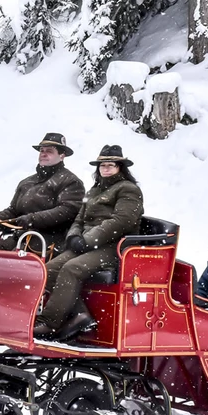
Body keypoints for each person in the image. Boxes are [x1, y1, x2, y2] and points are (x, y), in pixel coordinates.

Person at [33, 144, 143, 340]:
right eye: (102, 165)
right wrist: (73, 237)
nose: (105, 168)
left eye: (110, 165)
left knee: (72, 268)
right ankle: (80, 315)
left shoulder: (129, 189)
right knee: (48, 270)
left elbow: (121, 221)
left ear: (120, 167)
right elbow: (79, 219)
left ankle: (49, 323)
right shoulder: (94, 191)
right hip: (87, 244)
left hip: (114, 247)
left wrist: (88, 240)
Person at [0, 133, 85, 253]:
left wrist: (32, 219)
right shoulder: (26, 182)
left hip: (49, 241)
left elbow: (67, 211)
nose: (43, 154)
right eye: (42, 150)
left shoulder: (71, 181)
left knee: (11, 262)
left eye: (49, 151)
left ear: (62, 155)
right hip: (20, 236)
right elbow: (13, 211)